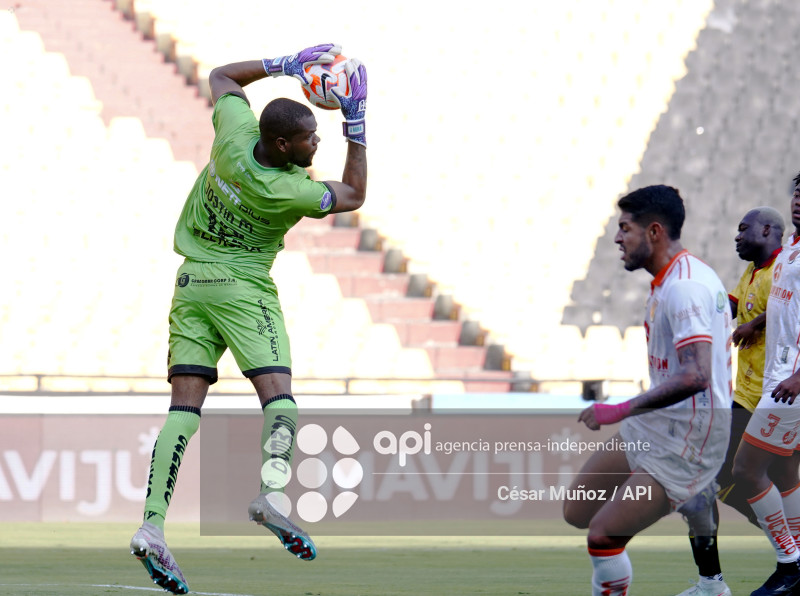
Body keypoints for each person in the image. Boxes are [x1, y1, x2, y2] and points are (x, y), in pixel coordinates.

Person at [128, 43, 368, 595]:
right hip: (242, 288)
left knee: (184, 409)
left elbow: (221, 76)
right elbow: (353, 194)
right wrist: (356, 121)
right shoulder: (286, 187)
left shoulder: (235, 135)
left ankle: (152, 526)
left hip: (191, 286)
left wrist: (285, 63)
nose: (317, 143)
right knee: (280, 398)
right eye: (311, 138)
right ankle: (273, 494)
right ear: (283, 145)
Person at [562, 185, 732, 596]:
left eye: (625, 229)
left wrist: (618, 410)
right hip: (658, 424)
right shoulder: (669, 280)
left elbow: (696, 376)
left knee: (603, 535)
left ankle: (696, 498)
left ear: (654, 231)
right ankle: (708, 561)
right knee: (577, 510)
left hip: (689, 437)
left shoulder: (683, 287)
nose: (618, 238)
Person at [680, 207, 784, 596]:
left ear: (768, 229)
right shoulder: (754, 272)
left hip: (771, 399)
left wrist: (754, 324)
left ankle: (715, 583)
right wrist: (689, 277)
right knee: (707, 483)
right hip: (747, 395)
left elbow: (786, 312)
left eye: (743, 229)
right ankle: (716, 581)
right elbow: (733, 305)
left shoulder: (786, 268)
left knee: (703, 480)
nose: (736, 236)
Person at [732, 176, 800, 596]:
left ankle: (789, 565)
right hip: (781, 378)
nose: (798, 204)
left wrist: (797, 377)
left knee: (745, 470)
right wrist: (754, 320)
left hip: (790, 384)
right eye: (797, 194)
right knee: (786, 472)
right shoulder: (791, 249)